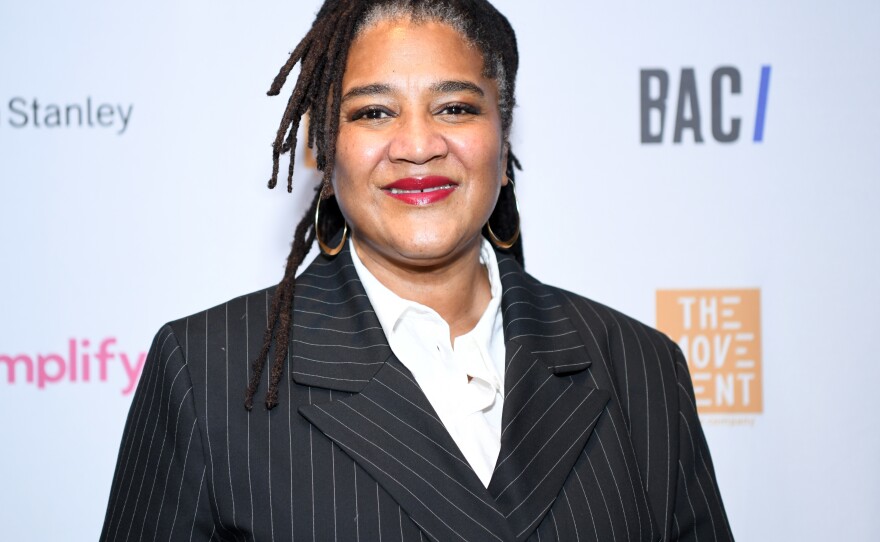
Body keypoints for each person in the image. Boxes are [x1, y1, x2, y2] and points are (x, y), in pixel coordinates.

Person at [101, 1, 733, 540]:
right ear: (324, 150)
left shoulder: (641, 368)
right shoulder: (209, 371)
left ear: (503, 141)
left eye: (455, 108)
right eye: (373, 112)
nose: (419, 144)